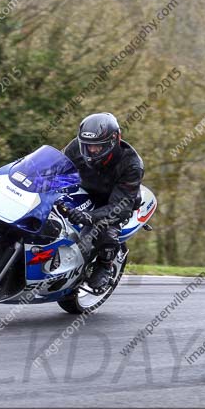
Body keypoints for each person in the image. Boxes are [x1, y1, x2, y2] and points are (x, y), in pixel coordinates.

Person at [63, 112, 145, 292]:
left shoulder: (131, 164)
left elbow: (120, 208)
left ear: (113, 141)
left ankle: (105, 265)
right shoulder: (76, 147)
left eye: (97, 147)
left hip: (112, 201)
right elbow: (57, 168)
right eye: (87, 146)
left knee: (104, 232)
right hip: (83, 191)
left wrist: (89, 217)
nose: (91, 151)